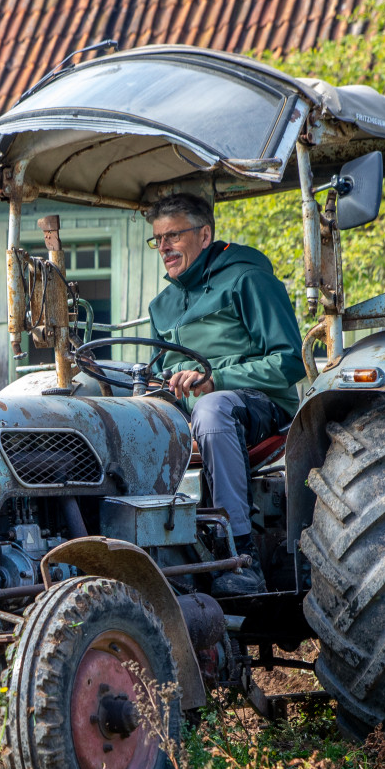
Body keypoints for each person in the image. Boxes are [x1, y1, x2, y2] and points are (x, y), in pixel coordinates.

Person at [144, 193, 305, 596]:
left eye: (173, 236)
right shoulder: (162, 305)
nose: (163, 248)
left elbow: (290, 361)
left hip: (257, 404)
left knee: (213, 409)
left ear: (205, 234)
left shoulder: (248, 279)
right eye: (157, 239)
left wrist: (216, 380)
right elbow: (156, 368)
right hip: (189, 407)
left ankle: (240, 554)